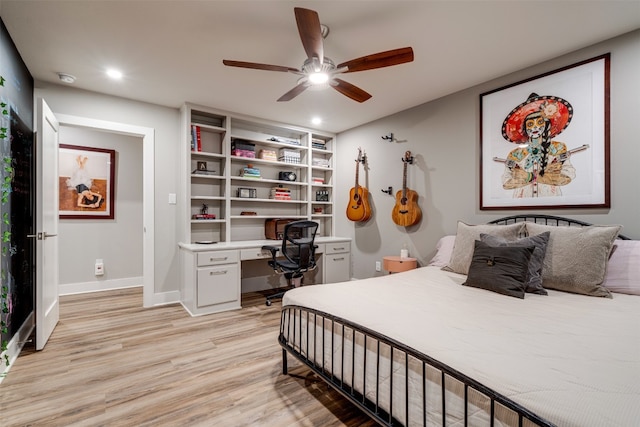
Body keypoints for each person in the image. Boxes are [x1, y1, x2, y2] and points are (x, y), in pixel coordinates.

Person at [499, 93, 580, 198]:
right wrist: (549, 175)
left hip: (551, 200)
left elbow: (567, 176)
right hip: (522, 201)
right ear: (525, 129)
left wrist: (529, 177)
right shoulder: (516, 154)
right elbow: (506, 182)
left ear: (547, 125)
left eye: (540, 122)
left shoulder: (558, 148)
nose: (535, 127)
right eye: (530, 124)